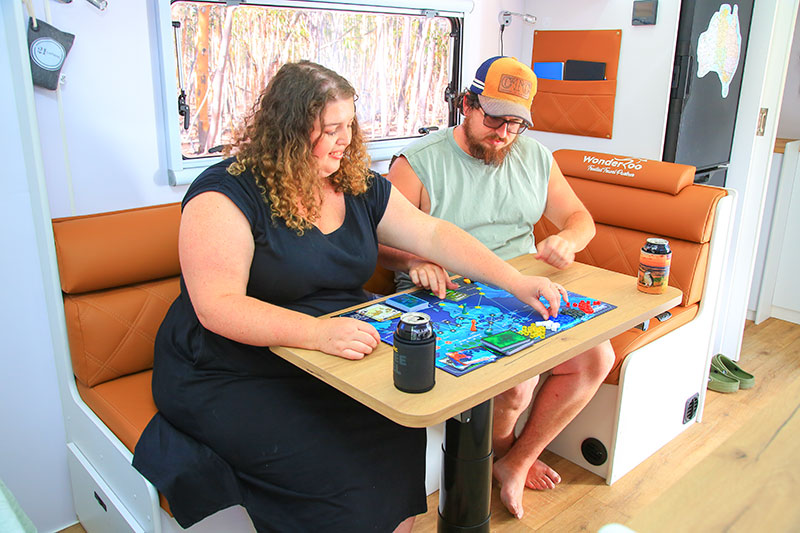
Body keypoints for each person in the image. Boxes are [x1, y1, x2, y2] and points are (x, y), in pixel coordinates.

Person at [132, 60, 570, 532]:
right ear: (288, 131)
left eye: (349, 126)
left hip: (329, 355)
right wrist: (317, 334)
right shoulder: (225, 193)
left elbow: (433, 234)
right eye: (331, 129)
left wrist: (516, 282)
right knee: (327, 461)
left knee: (394, 432)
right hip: (231, 363)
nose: (345, 139)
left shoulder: (355, 183)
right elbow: (217, 306)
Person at [381, 56, 616, 520]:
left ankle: (517, 460)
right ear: (467, 105)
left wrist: (568, 240)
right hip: (448, 294)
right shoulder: (417, 163)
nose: (504, 133)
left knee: (598, 358)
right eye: (494, 118)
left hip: (522, 286)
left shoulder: (536, 157)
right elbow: (375, 240)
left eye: (516, 123)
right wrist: (415, 260)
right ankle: (500, 455)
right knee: (517, 382)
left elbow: (580, 219)